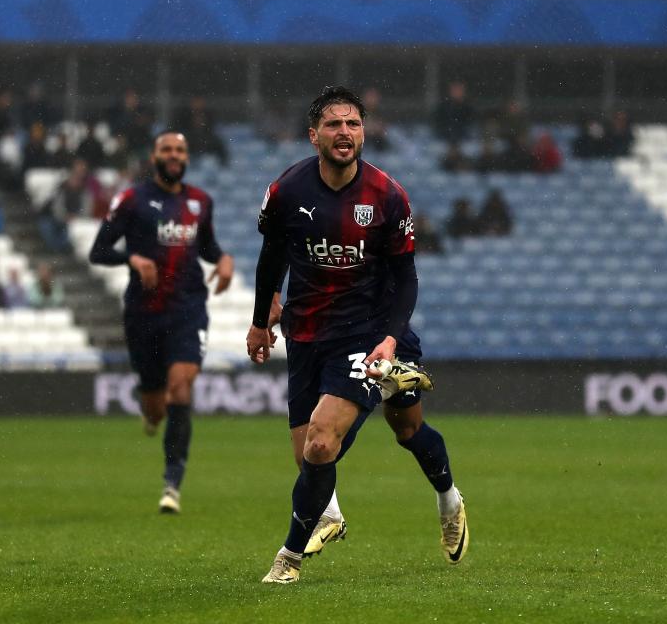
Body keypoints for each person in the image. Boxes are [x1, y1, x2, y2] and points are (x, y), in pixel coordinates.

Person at [246, 86, 468, 585]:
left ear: (363, 132)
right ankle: (329, 515)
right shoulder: (287, 192)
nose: (344, 132)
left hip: (368, 333)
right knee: (312, 454)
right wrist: (261, 319)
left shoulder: (387, 195)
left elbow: (406, 278)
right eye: (333, 124)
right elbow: (272, 258)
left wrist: (390, 339)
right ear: (314, 135)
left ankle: (290, 557)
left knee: (336, 441)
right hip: (307, 331)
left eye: (353, 124)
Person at [89, 131, 234, 514]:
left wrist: (223, 260)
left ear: (186, 157)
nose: (174, 155)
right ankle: (151, 414)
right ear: (154, 157)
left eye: (180, 150)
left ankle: (172, 484)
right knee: (155, 405)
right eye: (166, 150)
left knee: (181, 387)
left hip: (188, 309)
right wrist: (132, 259)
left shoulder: (200, 201)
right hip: (144, 313)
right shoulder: (131, 199)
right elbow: (98, 250)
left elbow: (207, 247)